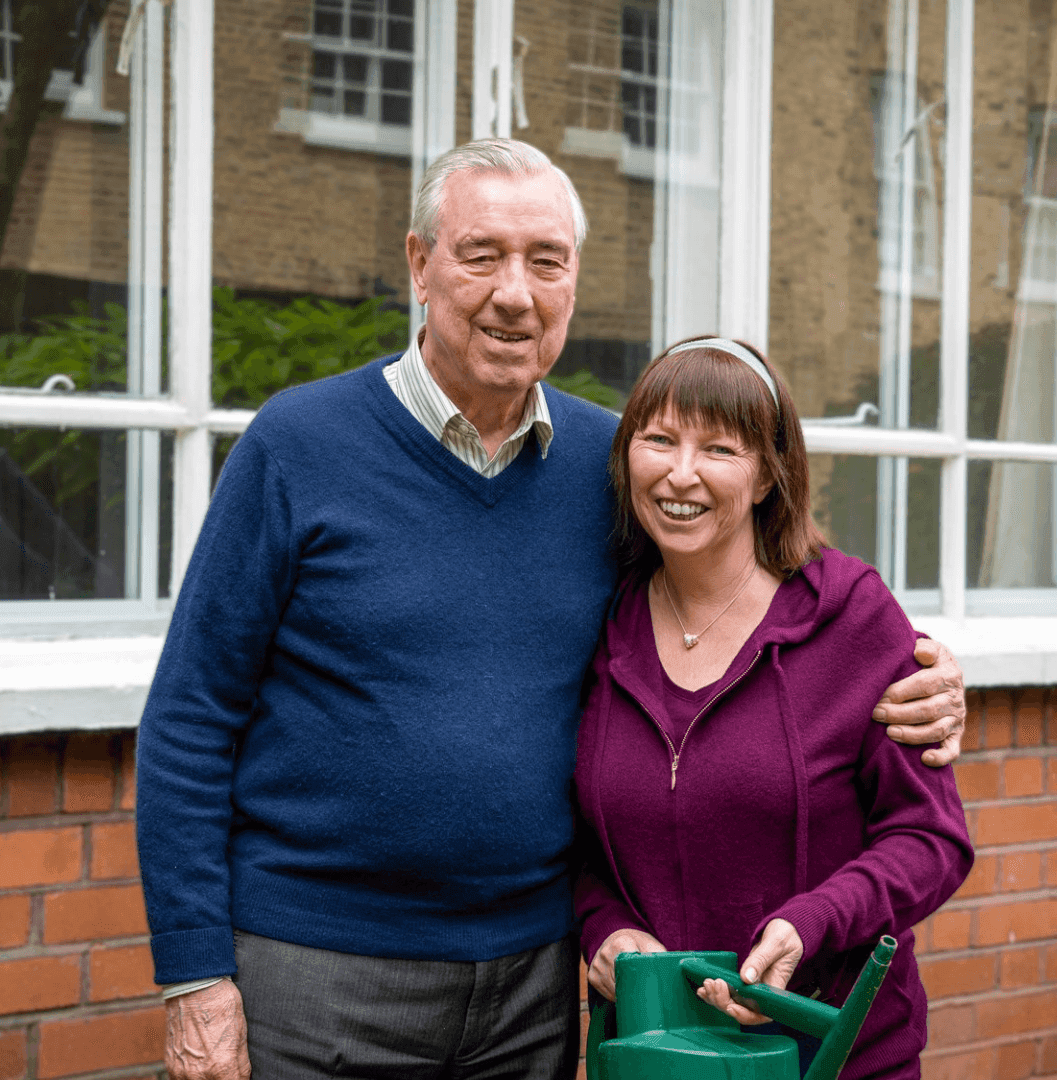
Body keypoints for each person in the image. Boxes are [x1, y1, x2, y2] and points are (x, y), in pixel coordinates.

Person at [136, 142, 967, 1080]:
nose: (514, 292)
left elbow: (758, 602)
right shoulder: (297, 445)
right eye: (480, 254)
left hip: (532, 989)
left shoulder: (612, 467)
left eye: (546, 261)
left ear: (574, 282)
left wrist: (922, 672)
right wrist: (194, 976)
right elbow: (189, 720)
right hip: (321, 969)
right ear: (419, 264)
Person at [574, 336, 974, 1080]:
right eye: (658, 440)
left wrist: (811, 926)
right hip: (657, 1058)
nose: (680, 473)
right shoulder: (600, 624)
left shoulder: (852, 620)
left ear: (768, 477)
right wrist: (601, 928)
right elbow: (576, 841)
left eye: (720, 448)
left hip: (833, 1061)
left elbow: (932, 838)